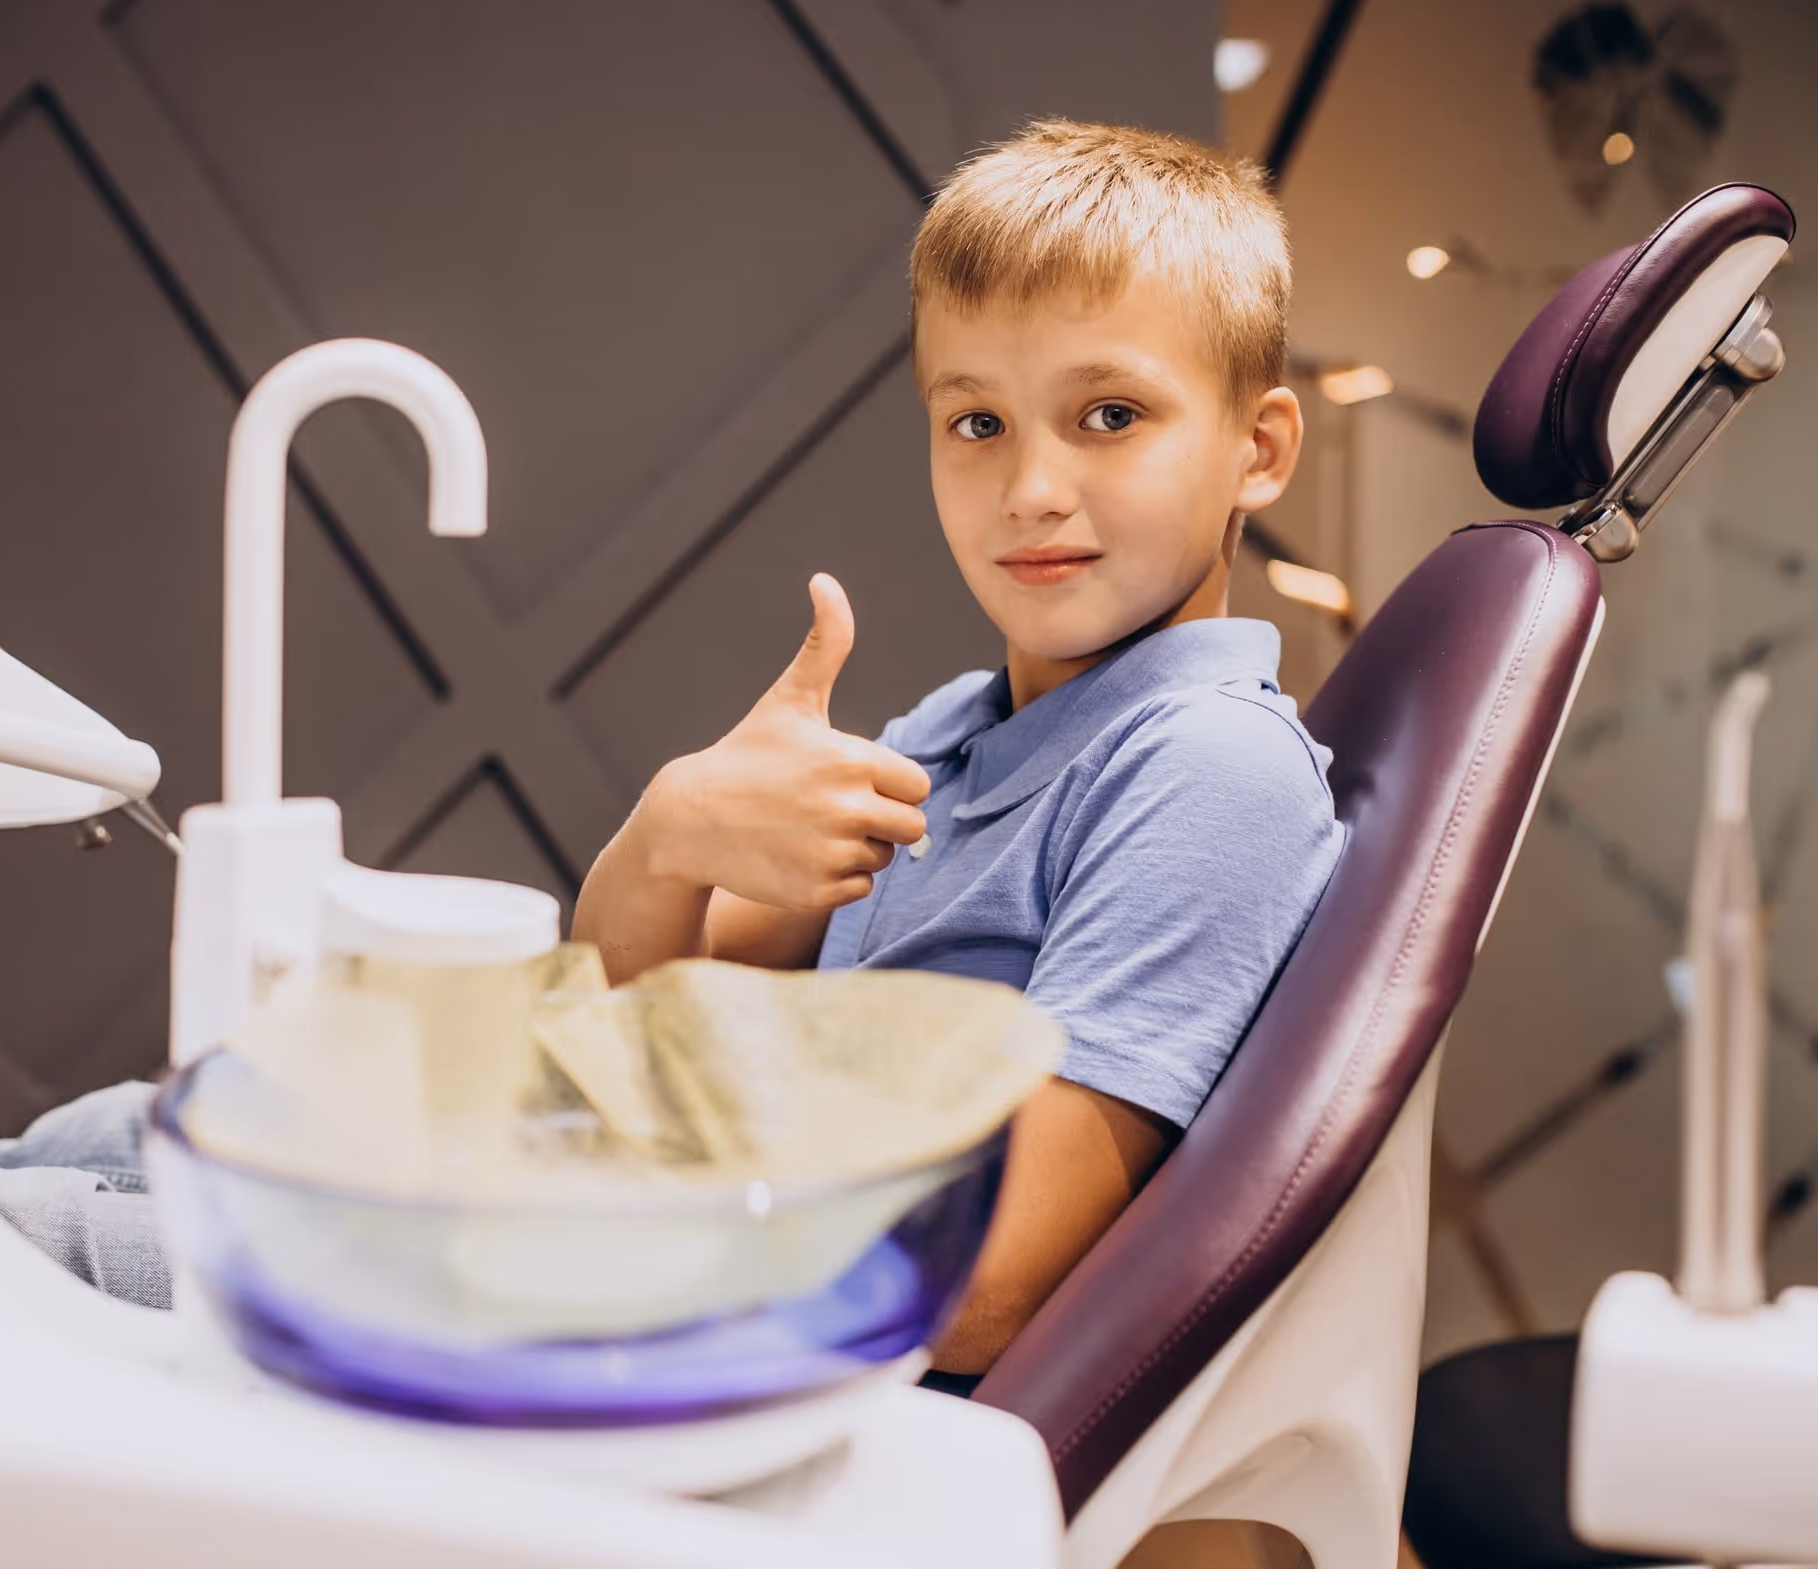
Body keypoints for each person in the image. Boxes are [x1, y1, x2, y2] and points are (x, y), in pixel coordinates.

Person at [571, 118, 1342, 1380]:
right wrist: (669, 833)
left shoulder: (1206, 769)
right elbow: (614, 1053)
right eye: (976, 423)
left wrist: (629, 1204)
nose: (1031, 486)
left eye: (1108, 413)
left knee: (134, 1244)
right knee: (123, 1135)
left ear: (1254, 449)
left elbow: (978, 1282)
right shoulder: (949, 734)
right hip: (664, 1277)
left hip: (753, 1374)